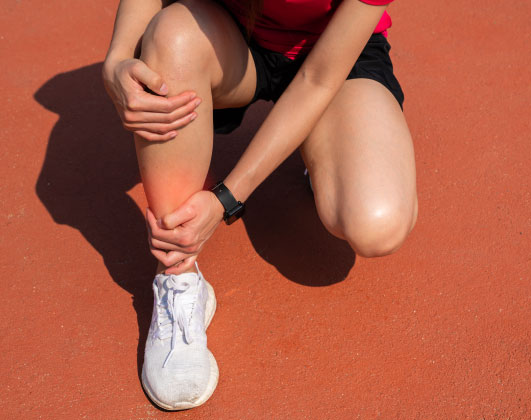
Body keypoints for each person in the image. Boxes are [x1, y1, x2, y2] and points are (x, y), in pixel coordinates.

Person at [102, 0, 418, 410]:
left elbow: (318, 78)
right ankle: (177, 274)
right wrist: (116, 60)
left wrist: (227, 197)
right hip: (233, 37)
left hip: (333, 59)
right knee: (170, 38)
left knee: (377, 224)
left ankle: (320, 143)